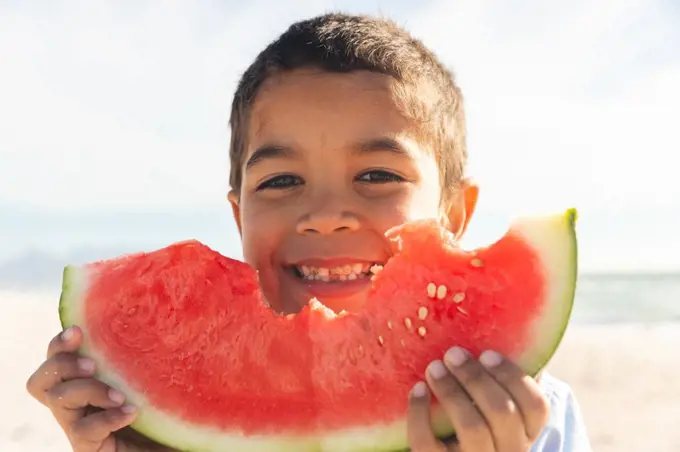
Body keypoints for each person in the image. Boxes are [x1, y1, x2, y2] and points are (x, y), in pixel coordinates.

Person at [25, 12, 592, 452]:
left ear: (454, 215)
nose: (324, 213)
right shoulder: (173, 427)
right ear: (239, 217)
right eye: (281, 180)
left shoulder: (530, 416)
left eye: (377, 175)